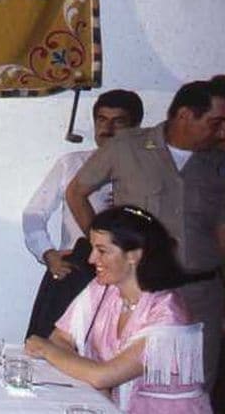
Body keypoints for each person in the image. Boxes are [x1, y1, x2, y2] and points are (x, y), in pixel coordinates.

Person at [66, 80, 225, 385]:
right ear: (185, 115)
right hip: (140, 293)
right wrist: (103, 248)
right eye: (215, 123)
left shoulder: (217, 162)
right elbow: (76, 192)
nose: (222, 133)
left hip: (201, 294)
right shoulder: (127, 147)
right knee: (129, 386)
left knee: (193, 386)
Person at [25, 206, 213, 413]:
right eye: (93, 249)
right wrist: (93, 378)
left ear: (134, 255)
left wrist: (47, 350)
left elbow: (102, 375)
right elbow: (60, 338)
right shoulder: (103, 288)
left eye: (102, 251)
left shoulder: (168, 313)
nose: (91, 259)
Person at [23, 89, 143, 338]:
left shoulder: (147, 169)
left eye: (118, 121)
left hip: (126, 276)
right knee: (51, 349)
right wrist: (48, 255)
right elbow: (34, 214)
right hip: (75, 270)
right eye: (101, 119)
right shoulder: (72, 163)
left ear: (135, 126)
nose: (107, 128)